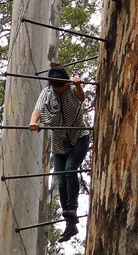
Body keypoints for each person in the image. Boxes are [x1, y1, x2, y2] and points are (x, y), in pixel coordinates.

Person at [29, 61, 91, 242]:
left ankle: (72, 207)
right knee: (61, 181)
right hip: (59, 144)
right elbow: (37, 109)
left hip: (79, 136)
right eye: (58, 87)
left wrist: (77, 84)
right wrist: (34, 122)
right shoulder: (47, 94)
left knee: (70, 169)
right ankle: (70, 224)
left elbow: (81, 97)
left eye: (64, 85)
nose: (62, 89)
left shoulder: (72, 87)